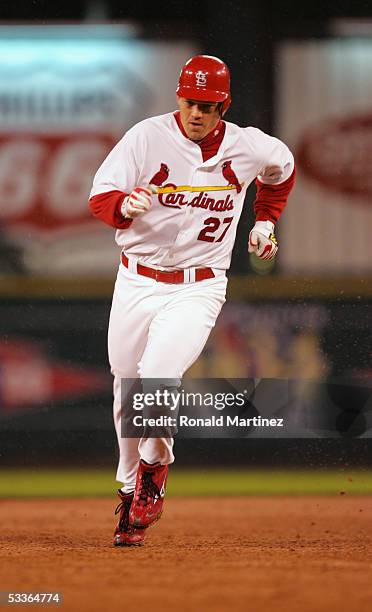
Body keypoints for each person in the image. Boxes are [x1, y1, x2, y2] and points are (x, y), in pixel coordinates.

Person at [89, 54, 296, 547]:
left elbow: (281, 169)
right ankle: (129, 488)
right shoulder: (146, 136)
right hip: (136, 280)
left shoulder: (248, 146)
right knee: (127, 389)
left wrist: (265, 221)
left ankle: (153, 473)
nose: (196, 113)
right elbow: (100, 195)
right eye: (189, 102)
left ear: (223, 105)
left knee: (157, 378)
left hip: (199, 285)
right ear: (177, 98)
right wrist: (123, 206)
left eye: (207, 105)